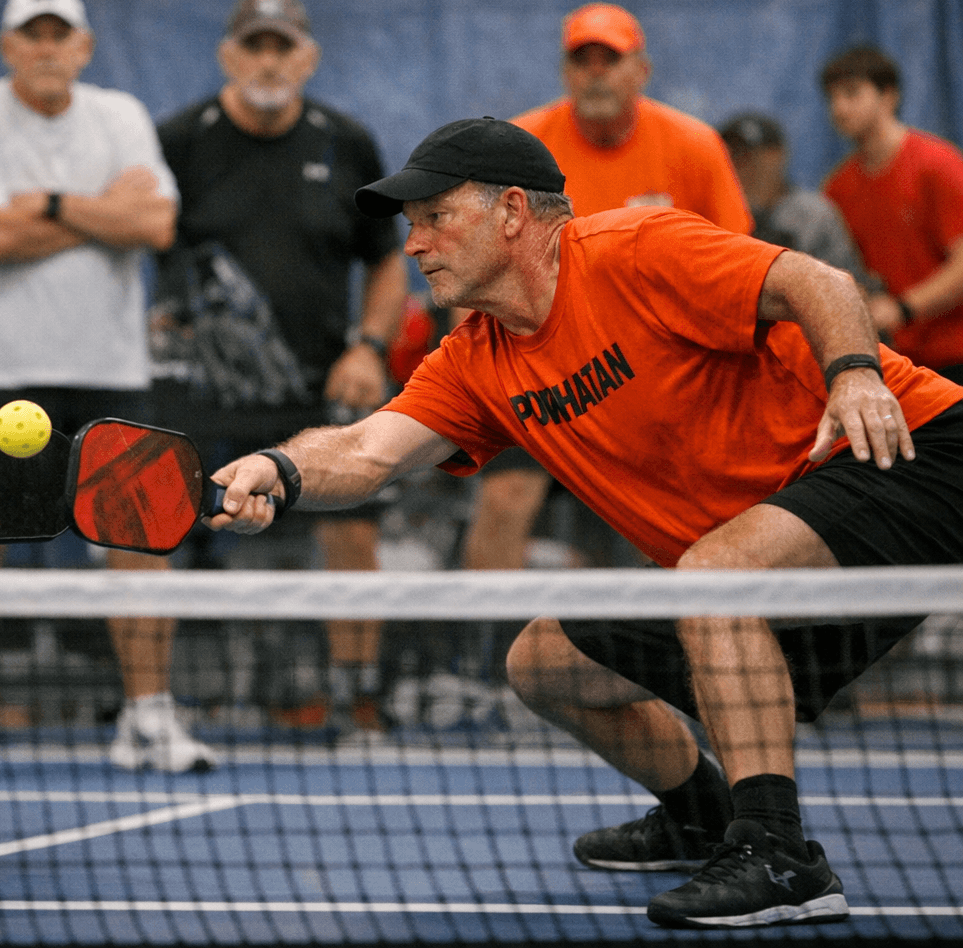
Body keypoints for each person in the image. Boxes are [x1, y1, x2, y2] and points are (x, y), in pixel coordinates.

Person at [208, 117, 963, 928]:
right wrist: (279, 472)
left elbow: (820, 282)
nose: (415, 243)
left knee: (713, 579)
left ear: (510, 213)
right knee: (544, 659)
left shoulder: (636, 250)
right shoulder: (476, 362)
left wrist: (853, 375)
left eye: (434, 216)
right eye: (409, 225)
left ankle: (782, 859)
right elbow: (367, 451)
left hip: (899, 453)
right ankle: (701, 815)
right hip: (763, 538)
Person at [0, 0, 213, 775]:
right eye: (32, 34)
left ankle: (149, 719)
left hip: (110, 369)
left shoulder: (119, 116)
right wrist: (95, 214)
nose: (47, 48)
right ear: (8, 46)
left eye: (61, 34)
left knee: (139, 549)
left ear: (83, 46)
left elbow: (154, 222)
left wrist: (45, 203)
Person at [155, 0, 406, 740]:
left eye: (283, 47)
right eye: (254, 46)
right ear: (229, 56)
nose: (269, 61)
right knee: (153, 520)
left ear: (308, 58)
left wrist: (369, 346)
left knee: (353, 528)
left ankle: (358, 698)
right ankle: (154, 706)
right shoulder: (179, 140)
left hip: (320, 381)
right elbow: (141, 237)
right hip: (199, 386)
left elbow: (388, 262)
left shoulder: (348, 142)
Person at [460, 3, 754, 573]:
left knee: (684, 518)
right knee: (503, 499)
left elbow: (737, 271)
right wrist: (480, 384)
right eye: (582, 60)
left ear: (641, 70)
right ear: (565, 73)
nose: (596, 72)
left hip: (661, 381)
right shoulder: (516, 149)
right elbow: (476, 269)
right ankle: (484, 654)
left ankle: (668, 647)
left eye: (610, 59)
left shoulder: (694, 146)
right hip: (538, 373)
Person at [821, 45, 963, 383]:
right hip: (892, 365)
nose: (838, 108)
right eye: (832, 97)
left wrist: (903, 308)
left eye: (851, 93)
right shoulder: (837, 188)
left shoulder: (937, 164)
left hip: (954, 359)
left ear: (888, 97)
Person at [718, 111, 878, 290]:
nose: (742, 163)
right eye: (733, 154)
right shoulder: (716, 212)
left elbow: (849, 283)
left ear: (777, 155)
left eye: (751, 154)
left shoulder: (814, 213)